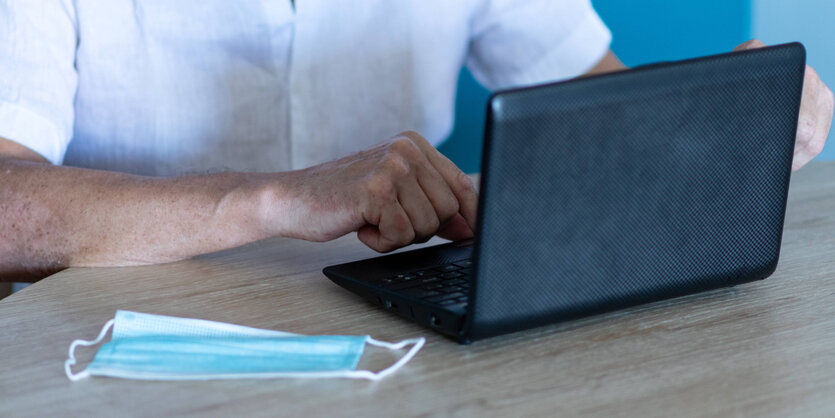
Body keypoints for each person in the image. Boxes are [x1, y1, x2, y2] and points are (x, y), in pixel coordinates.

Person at [0, 1, 831, 282]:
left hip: (398, 331)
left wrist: (713, 120)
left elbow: (593, 107)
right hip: (117, 340)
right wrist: (280, 198)